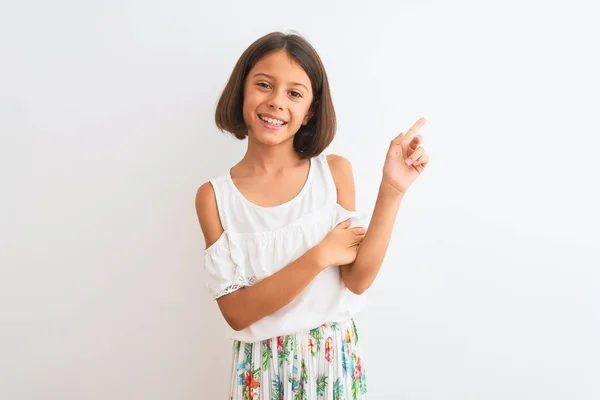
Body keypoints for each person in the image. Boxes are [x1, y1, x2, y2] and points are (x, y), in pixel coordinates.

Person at [195, 31, 429, 400]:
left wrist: (392, 190)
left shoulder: (333, 173)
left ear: (311, 110)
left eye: (294, 93)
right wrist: (319, 256)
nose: (275, 102)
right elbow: (237, 313)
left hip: (332, 359)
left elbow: (357, 280)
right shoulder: (215, 198)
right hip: (261, 367)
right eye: (263, 85)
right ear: (241, 90)